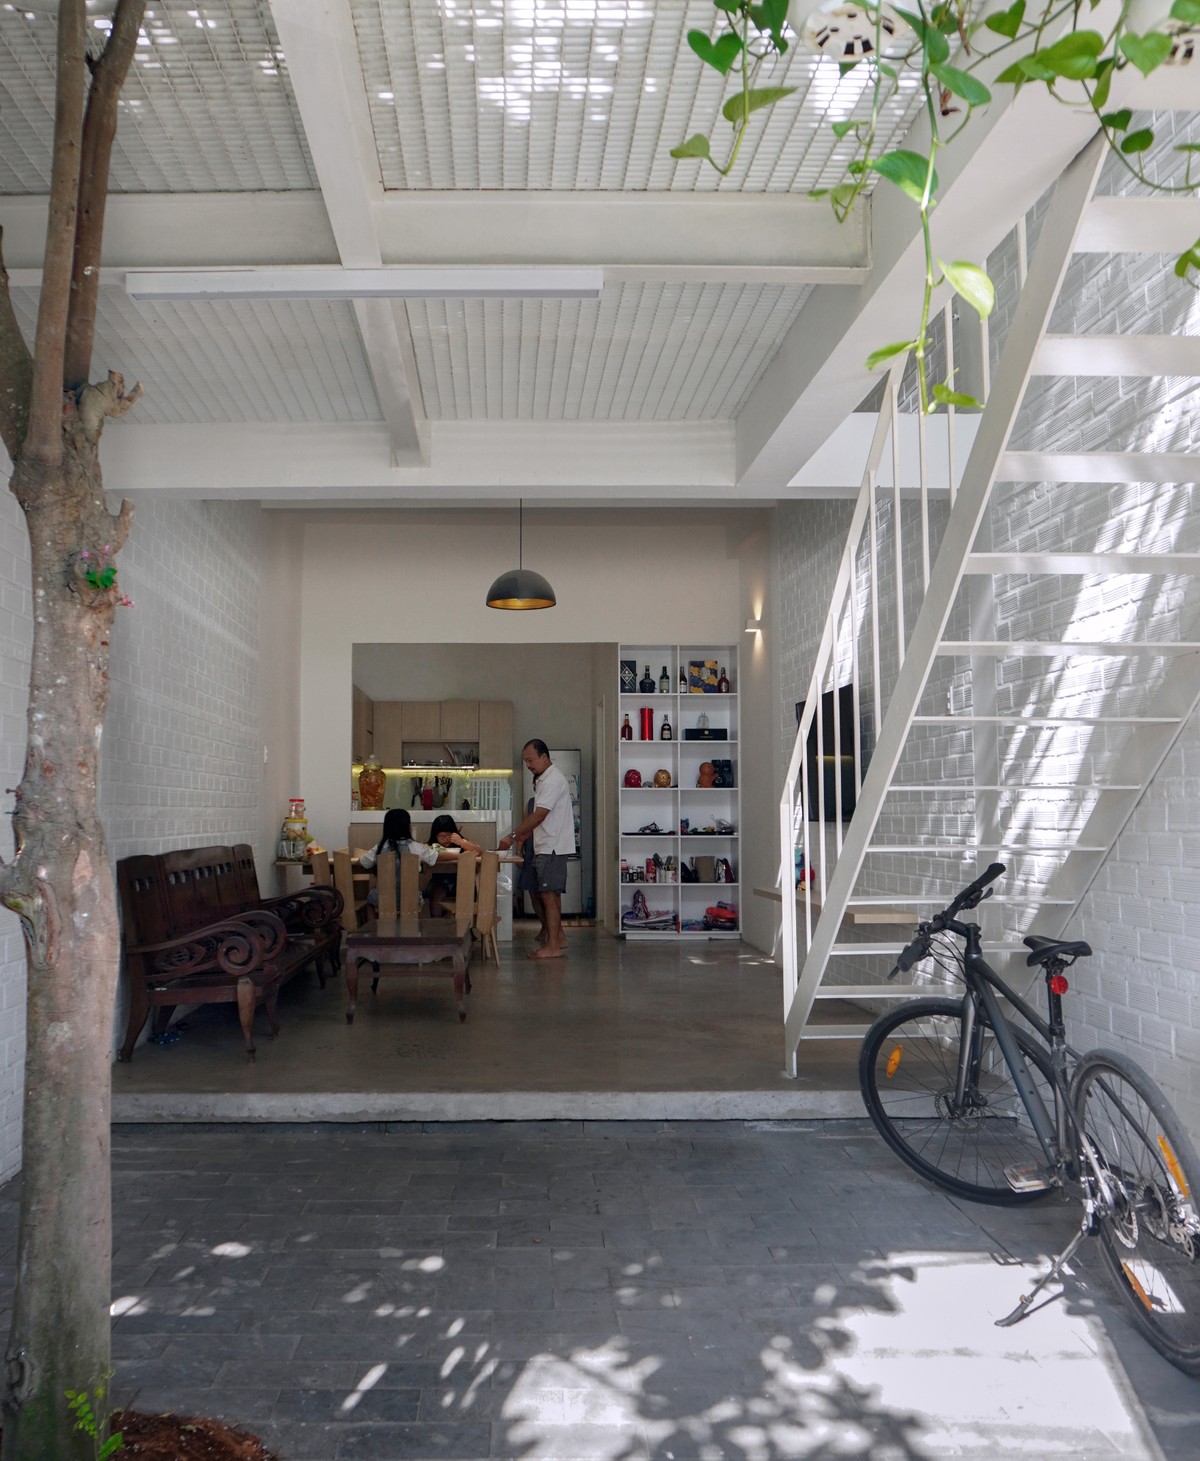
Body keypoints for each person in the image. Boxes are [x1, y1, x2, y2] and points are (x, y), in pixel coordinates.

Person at [499, 740, 575, 959]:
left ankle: (552, 947)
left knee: (549, 896)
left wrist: (512, 835)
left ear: (544, 756)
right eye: (525, 761)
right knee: (548, 896)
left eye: (530, 760)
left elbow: (540, 814)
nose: (528, 765)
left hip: (553, 846)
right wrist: (522, 835)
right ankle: (556, 940)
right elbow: (537, 818)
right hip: (547, 845)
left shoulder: (553, 780)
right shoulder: (543, 780)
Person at [358, 808, 438, 909]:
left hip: (384, 900)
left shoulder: (381, 847)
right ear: (408, 827)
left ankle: (374, 924)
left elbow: (363, 862)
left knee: (370, 900)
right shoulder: (417, 847)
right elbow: (435, 857)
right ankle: (412, 924)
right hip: (411, 899)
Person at [425, 813, 483, 917]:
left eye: (447, 835)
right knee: (437, 893)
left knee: (467, 891)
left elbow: (479, 851)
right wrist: (460, 856)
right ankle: (435, 925)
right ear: (435, 835)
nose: (444, 839)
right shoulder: (430, 847)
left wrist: (462, 842)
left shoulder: (462, 844)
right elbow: (435, 856)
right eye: (441, 836)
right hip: (439, 881)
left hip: (461, 880)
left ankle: (464, 925)